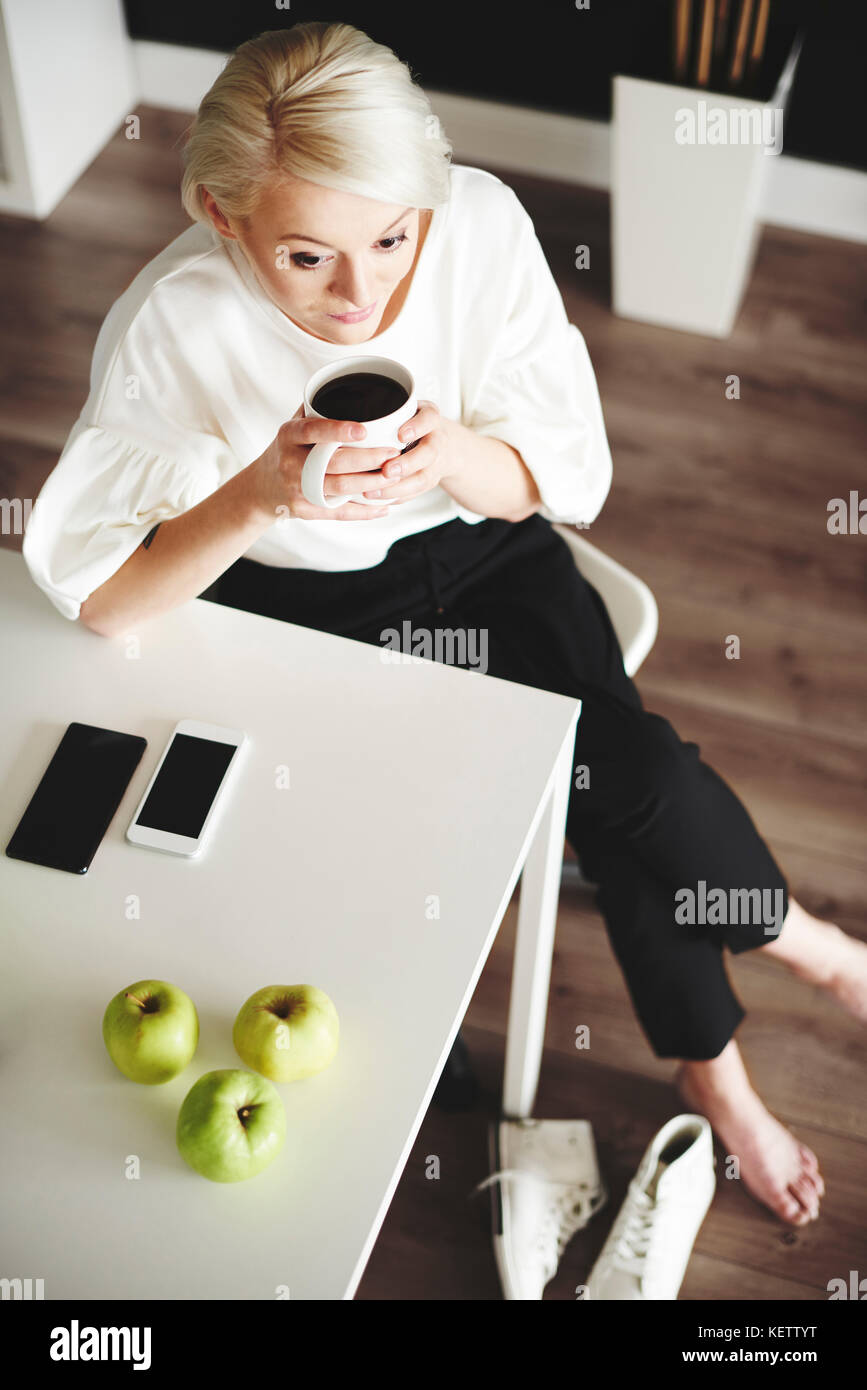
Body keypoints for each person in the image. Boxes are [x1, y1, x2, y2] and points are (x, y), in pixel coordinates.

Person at [22, 21, 866, 1231]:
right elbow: (105, 597)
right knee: (487, 818)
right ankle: (761, 1008)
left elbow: (553, 478)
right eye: (307, 256)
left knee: (620, 774)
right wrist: (260, 489)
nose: (363, 296)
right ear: (221, 213)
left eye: (391, 239)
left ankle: (782, 987)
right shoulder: (173, 327)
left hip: (483, 554)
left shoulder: (478, 226)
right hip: (303, 599)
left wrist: (453, 454)